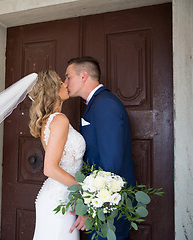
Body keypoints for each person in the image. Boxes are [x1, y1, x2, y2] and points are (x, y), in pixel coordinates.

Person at [65, 56, 136, 240]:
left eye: (68, 77)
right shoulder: (97, 103)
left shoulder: (104, 104)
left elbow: (111, 162)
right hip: (103, 203)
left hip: (109, 205)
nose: (65, 83)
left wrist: (92, 206)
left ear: (83, 76)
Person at [29, 70, 86, 240]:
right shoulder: (59, 120)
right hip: (59, 202)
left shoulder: (49, 120)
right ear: (52, 90)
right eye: (61, 82)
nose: (66, 84)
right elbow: (50, 169)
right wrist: (85, 191)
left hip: (61, 196)